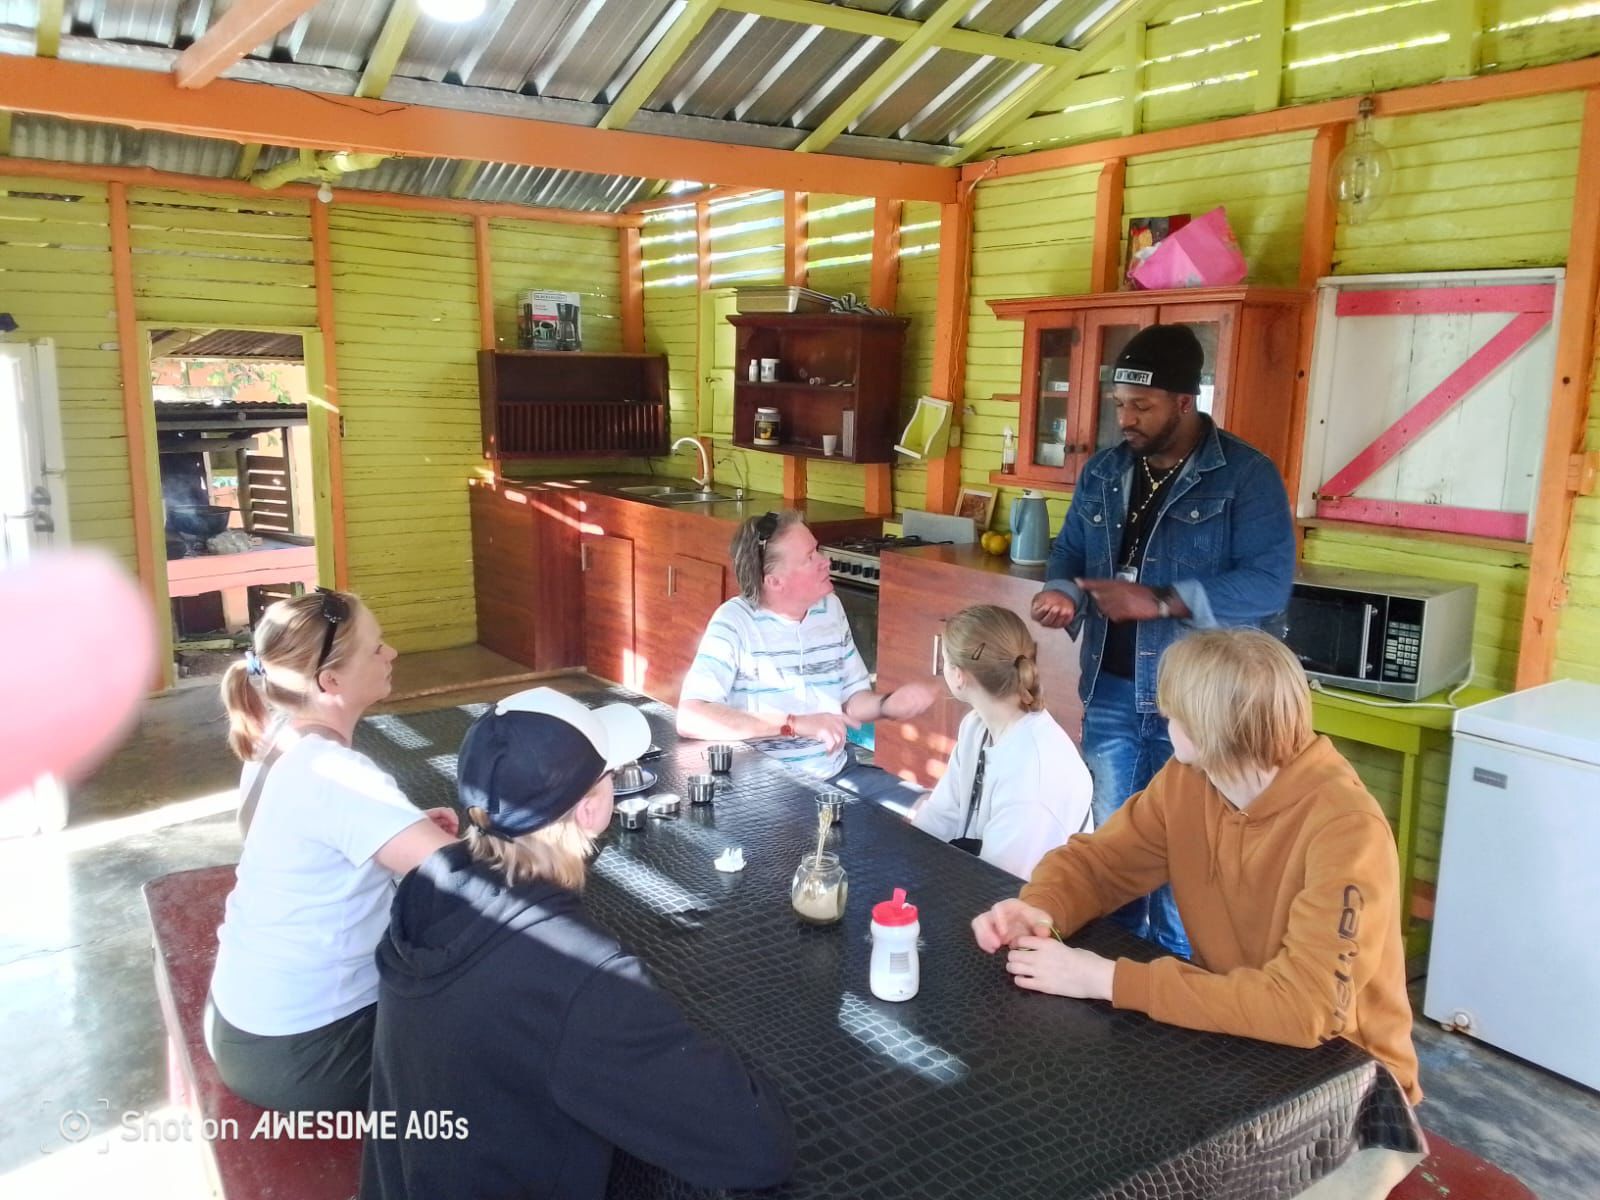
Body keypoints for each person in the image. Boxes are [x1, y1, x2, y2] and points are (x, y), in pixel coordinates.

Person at [362, 688, 795, 1200]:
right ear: (589, 810)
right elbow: (756, 1146)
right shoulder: (579, 976)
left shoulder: (424, 891)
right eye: (611, 776)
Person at [971, 628, 1422, 1113]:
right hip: (1236, 1043)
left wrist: (1107, 979)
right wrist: (1041, 907)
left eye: (1171, 712)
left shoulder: (1348, 829)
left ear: (1207, 731)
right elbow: (1101, 863)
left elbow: (1304, 1008)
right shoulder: (1191, 778)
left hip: (1354, 1088)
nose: (1163, 718)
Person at [1030, 323, 1295, 957]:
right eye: (1120, 404)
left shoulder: (1246, 477)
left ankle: (1180, 996)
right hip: (1112, 689)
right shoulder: (1104, 470)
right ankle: (1116, 982)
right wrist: (1064, 590)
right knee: (1116, 847)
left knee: (1191, 858)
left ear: (1185, 402)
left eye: (1141, 406)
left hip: (1202, 703)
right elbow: (1071, 546)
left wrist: (1160, 600)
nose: (1126, 418)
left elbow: (1267, 583)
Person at [207, 588, 458, 1113]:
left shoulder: (277, 740)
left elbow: (327, 841)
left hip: (242, 1021)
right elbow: (460, 876)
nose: (391, 654)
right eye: (376, 648)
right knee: (500, 1007)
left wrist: (403, 830)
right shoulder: (336, 774)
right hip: (304, 1055)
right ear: (330, 681)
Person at [677, 509, 938, 809]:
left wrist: (887, 705)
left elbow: (850, 699)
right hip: (761, 790)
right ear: (774, 581)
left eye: (818, 550)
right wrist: (794, 723)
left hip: (836, 774)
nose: (825, 561)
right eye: (810, 556)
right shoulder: (734, 622)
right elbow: (691, 716)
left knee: (933, 813)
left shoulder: (829, 609)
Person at [910, 604, 1093, 879]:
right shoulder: (976, 726)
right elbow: (942, 815)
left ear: (959, 676)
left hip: (1026, 908)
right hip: (978, 878)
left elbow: (1000, 885)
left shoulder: (1034, 775)